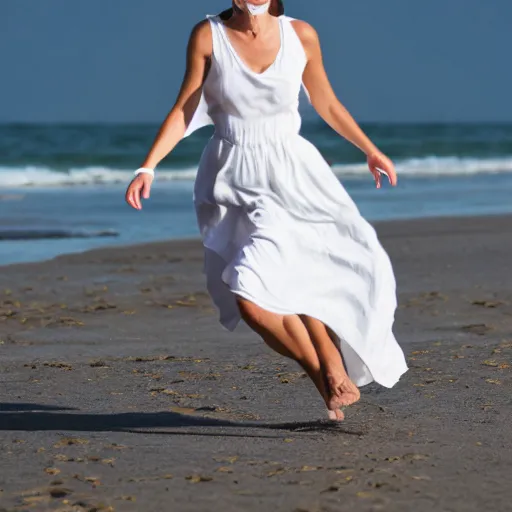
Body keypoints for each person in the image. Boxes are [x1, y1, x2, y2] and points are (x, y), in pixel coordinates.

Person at [125, 0, 408, 421]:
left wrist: (369, 150)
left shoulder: (301, 35)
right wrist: (148, 165)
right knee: (256, 300)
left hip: (292, 172)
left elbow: (325, 101)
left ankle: (331, 365)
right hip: (232, 178)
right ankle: (324, 373)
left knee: (276, 283)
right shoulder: (208, 35)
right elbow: (186, 106)